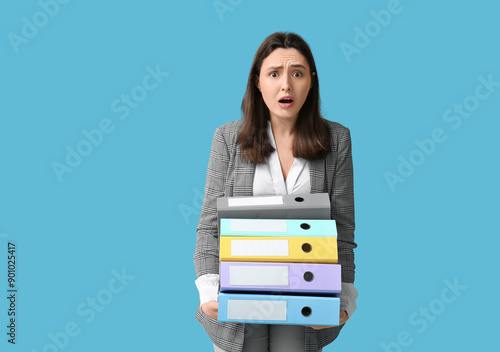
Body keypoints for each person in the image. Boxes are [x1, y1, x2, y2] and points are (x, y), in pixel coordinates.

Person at [193, 31, 358, 352]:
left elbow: (342, 229)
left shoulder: (337, 139)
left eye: (297, 73)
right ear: (258, 81)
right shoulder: (228, 138)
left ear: (311, 80)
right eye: (274, 74)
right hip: (238, 303)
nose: (286, 85)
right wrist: (210, 290)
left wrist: (342, 298)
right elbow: (210, 226)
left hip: (306, 302)